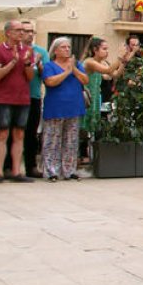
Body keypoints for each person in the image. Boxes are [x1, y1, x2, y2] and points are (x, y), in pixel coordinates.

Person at [0, 20, 36, 183]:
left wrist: (27, 62)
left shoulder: (28, 51)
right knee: (3, 133)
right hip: (5, 98)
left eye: (23, 30)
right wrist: (14, 62)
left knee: (19, 133)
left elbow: (29, 77)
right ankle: (0, 172)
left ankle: (16, 171)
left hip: (23, 98)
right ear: (8, 32)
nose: (21, 33)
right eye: (18, 30)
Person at [41, 37, 89, 181]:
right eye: (63, 47)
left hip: (74, 106)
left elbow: (85, 80)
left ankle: (69, 169)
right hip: (56, 107)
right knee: (52, 140)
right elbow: (50, 82)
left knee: (71, 140)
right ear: (55, 50)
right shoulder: (49, 66)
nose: (67, 49)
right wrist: (66, 73)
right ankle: (51, 171)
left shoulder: (77, 65)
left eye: (68, 47)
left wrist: (73, 69)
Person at [82, 37, 128, 148]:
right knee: (84, 127)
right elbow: (108, 71)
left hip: (96, 98)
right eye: (104, 49)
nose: (107, 51)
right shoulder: (89, 62)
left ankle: (91, 153)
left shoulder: (102, 62)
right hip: (86, 98)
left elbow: (115, 74)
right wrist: (120, 57)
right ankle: (81, 154)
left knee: (94, 127)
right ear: (95, 49)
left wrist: (124, 61)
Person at [20, 20, 48, 178]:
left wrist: (39, 64)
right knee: (14, 133)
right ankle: (10, 166)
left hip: (34, 96)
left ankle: (31, 166)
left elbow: (47, 76)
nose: (30, 34)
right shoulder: (15, 51)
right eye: (26, 31)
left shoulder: (41, 52)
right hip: (16, 97)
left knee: (31, 134)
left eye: (32, 31)